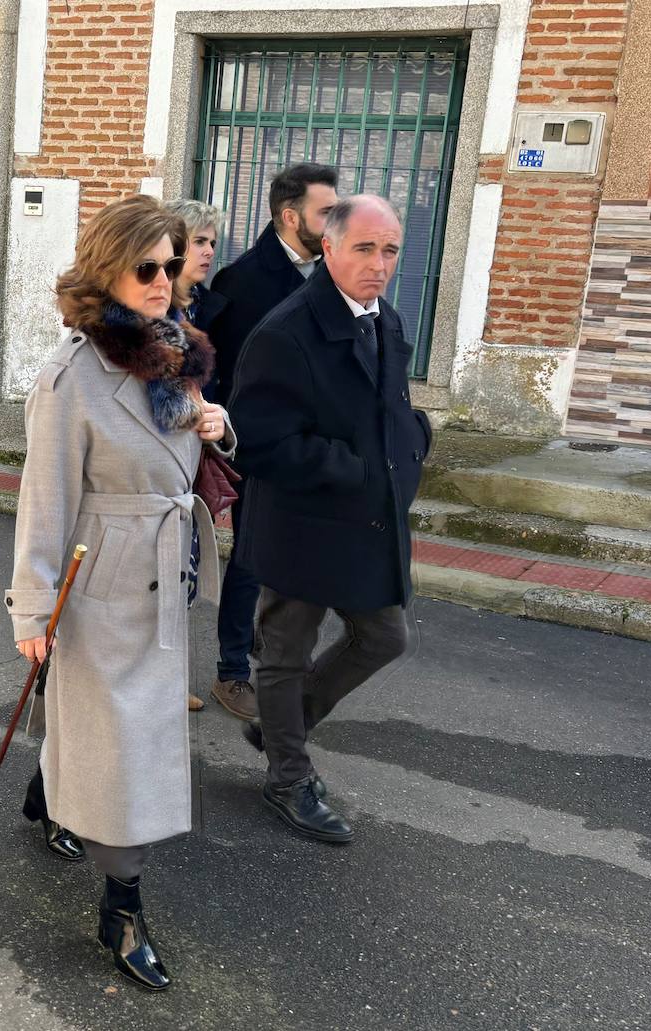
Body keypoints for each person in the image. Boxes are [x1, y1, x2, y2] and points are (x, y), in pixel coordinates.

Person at [7, 194, 233, 991]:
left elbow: (188, 432)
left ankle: (48, 790)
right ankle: (122, 906)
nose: (165, 279)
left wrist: (217, 424)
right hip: (99, 582)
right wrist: (33, 609)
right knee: (124, 751)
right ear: (108, 267)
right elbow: (45, 499)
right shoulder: (71, 376)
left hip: (166, 574)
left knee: (112, 736)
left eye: (173, 264)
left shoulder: (175, 351)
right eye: (148, 266)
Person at [229, 194, 430, 845]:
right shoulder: (285, 332)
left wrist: (415, 442)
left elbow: (392, 409)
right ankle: (288, 775)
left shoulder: (386, 320)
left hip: (368, 523)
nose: (379, 263)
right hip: (302, 523)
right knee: (286, 650)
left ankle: (279, 725)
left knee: (385, 635)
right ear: (331, 248)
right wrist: (352, 471)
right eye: (365, 248)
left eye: (390, 249)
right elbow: (256, 440)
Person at [204, 163, 340, 723]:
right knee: (251, 561)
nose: (336, 221)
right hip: (255, 448)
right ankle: (232, 673)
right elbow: (226, 374)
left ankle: (274, 650)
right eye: (325, 212)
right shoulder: (243, 282)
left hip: (308, 448)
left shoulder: (330, 272)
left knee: (294, 558)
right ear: (290, 216)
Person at [165, 197, 226, 713]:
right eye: (199, 241)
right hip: (161, 472)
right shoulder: (158, 316)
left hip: (192, 463)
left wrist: (216, 418)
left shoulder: (204, 307)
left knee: (181, 577)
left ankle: (169, 677)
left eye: (211, 241)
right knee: (165, 579)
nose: (208, 251)